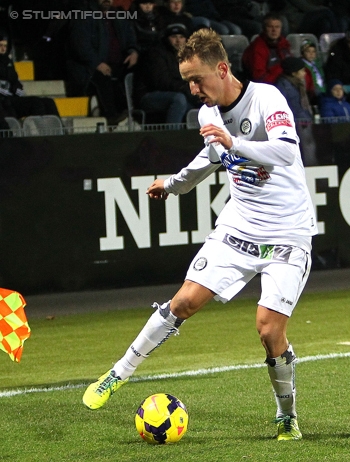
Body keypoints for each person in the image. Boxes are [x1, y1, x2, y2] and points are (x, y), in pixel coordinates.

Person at [82, 28, 318, 442]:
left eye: (198, 80)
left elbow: (287, 151)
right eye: (187, 81)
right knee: (184, 301)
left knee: (268, 329)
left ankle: (287, 415)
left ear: (222, 69)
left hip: (287, 233)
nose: (193, 90)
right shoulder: (207, 114)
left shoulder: (267, 99)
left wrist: (236, 141)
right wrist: (172, 185)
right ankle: (117, 373)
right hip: (239, 226)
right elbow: (209, 158)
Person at [66, 0, 139, 124]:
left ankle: (138, 114)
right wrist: (97, 63)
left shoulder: (118, 15)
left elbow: (131, 37)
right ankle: (112, 116)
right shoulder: (84, 16)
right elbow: (80, 46)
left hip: (118, 65)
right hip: (89, 68)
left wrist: (133, 52)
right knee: (103, 78)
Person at [135, 23, 201, 125]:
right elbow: (161, 82)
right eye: (174, 37)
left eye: (181, 37)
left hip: (177, 92)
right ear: (166, 38)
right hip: (148, 95)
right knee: (179, 99)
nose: (178, 40)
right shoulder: (156, 53)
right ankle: (170, 138)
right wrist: (186, 89)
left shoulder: (185, 55)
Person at [0, 36, 60, 119]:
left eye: (5, 46)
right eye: (1, 45)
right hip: (4, 100)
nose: (3, 49)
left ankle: (61, 130)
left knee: (49, 102)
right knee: (36, 104)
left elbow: (15, 82)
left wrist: (18, 89)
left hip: (14, 97)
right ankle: (43, 131)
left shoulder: (8, 62)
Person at [274, 57, 317, 165]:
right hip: (295, 125)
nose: (304, 73)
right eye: (302, 71)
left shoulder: (298, 84)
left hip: (303, 122)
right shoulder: (283, 86)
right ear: (293, 73)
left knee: (309, 148)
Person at [242, 13, 292, 84]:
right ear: (264, 28)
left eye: (277, 27)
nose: (274, 30)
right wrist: (282, 72)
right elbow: (259, 78)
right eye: (270, 27)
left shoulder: (284, 44)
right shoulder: (257, 48)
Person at [300, 39, 325, 105]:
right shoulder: (302, 66)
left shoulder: (318, 64)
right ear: (303, 53)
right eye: (308, 51)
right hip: (313, 94)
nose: (311, 54)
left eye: (313, 51)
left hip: (323, 91)